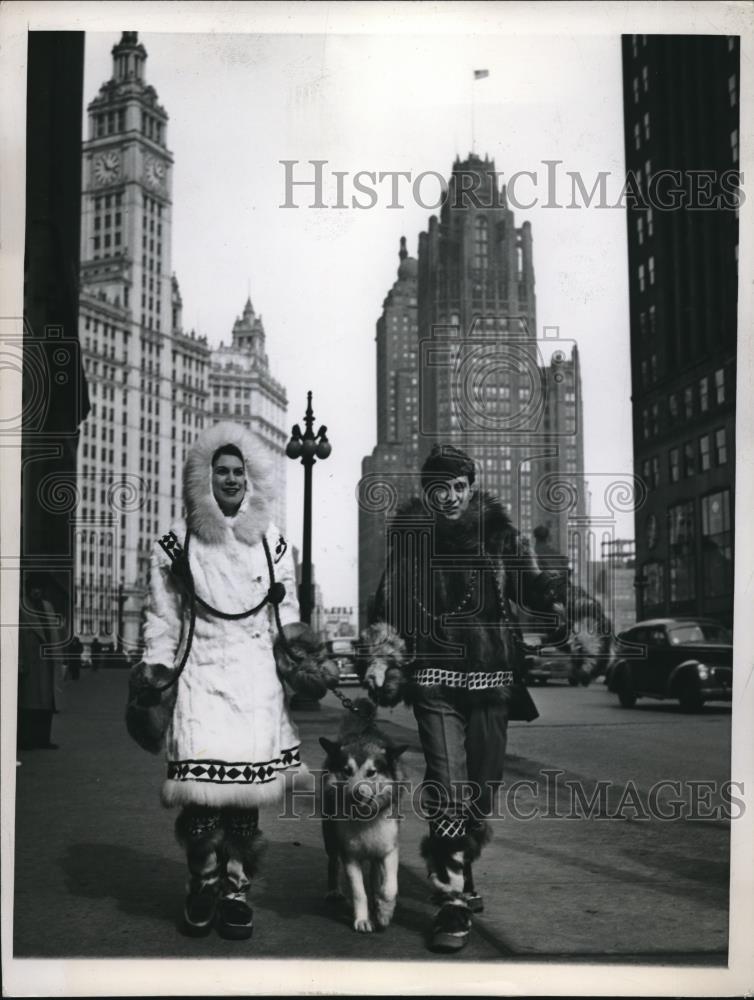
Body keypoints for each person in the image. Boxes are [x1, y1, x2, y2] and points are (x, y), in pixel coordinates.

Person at [363, 444, 568, 953]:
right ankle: (450, 897)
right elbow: (387, 604)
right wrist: (381, 656)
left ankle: (462, 855)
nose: (451, 496)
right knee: (448, 779)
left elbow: (529, 584)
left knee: (482, 785)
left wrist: (552, 597)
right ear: (427, 491)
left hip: (491, 681)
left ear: (470, 488)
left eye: (459, 487)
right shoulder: (412, 540)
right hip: (433, 677)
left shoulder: (499, 534)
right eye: (441, 488)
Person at [140, 422, 309, 941]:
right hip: (201, 678)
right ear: (204, 478)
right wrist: (156, 670)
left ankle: (236, 890)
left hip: (255, 680)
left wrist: (301, 660)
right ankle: (203, 882)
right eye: (222, 472)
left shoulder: (273, 543)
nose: (231, 480)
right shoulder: (176, 542)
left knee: (242, 803)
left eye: (239, 472)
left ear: (250, 477)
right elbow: (162, 616)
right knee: (201, 800)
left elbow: (288, 614)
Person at [17, 573, 67, 750]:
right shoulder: (21, 608)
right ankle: (25, 740)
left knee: (47, 704)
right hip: (31, 662)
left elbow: (55, 635)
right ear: (28, 589)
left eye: (39, 589)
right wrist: (20, 661)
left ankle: (43, 739)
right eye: (33, 588)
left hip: (48, 662)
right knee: (28, 705)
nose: (36, 592)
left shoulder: (48, 606)